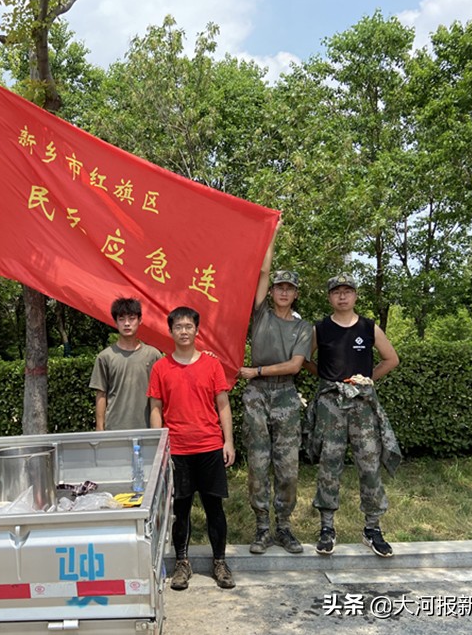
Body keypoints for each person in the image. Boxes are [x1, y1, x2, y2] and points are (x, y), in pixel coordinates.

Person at [304, 272, 402, 558]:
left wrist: (367, 379)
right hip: (331, 407)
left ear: (356, 295)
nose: (342, 296)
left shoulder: (369, 327)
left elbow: (391, 359)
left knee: (369, 465)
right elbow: (305, 361)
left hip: (362, 406)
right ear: (330, 297)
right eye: (337, 292)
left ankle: (372, 529)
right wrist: (326, 378)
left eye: (348, 291)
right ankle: (326, 528)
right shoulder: (320, 328)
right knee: (329, 464)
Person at [148, 306, 236, 591]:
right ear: (170, 331)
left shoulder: (212, 365)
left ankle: (220, 562)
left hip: (209, 446)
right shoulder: (161, 367)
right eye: (178, 327)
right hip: (178, 450)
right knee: (181, 510)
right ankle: (182, 563)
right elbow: (155, 408)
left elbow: (223, 404)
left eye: (189, 326)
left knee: (214, 508)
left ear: (197, 330)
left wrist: (228, 441)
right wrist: (159, 446)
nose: (184, 331)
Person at [238, 232, 312, 555]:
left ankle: (284, 526)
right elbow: (263, 273)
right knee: (257, 462)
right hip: (256, 395)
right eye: (278, 287)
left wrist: (257, 371)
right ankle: (262, 527)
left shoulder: (303, 328)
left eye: (288, 288)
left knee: (287, 464)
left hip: (284, 395)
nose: (282, 291)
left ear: (295, 294)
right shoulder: (261, 315)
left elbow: (295, 366)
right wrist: (270, 236)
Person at [89, 298, 162, 431]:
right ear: (115, 323)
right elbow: (101, 395)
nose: (127, 323)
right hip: (114, 429)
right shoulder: (105, 357)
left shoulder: (153, 355)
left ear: (140, 320)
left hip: (147, 428)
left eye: (132, 318)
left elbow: (159, 396)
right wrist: (100, 430)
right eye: (121, 319)